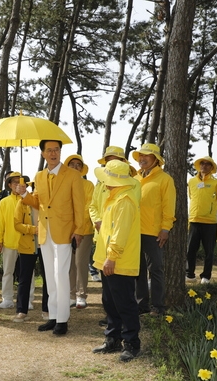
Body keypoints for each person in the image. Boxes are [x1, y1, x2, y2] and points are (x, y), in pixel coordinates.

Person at [15, 140, 85, 335]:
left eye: (56, 150)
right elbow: (38, 202)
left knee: (61, 276)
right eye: (49, 150)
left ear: (60, 152)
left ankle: (63, 320)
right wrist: (24, 195)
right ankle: (53, 316)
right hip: (45, 232)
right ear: (43, 154)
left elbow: (80, 205)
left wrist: (79, 229)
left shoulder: (72, 175)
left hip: (65, 231)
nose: (53, 153)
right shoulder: (39, 176)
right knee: (51, 277)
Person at [91, 160, 142, 362]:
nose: (105, 182)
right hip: (109, 260)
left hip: (119, 261)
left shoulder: (125, 201)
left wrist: (111, 258)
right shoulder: (114, 198)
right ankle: (112, 338)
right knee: (109, 301)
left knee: (124, 303)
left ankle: (131, 343)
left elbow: (120, 234)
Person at [132, 143, 176, 316]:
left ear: (156, 160)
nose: (142, 159)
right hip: (134, 231)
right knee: (138, 269)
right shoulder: (135, 178)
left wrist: (165, 228)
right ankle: (141, 304)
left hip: (154, 232)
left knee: (155, 269)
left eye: (146, 156)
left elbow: (169, 207)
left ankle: (158, 306)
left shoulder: (165, 179)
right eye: (140, 156)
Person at [0, 172, 34, 309]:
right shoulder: (4, 202)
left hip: (28, 242)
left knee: (28, 273)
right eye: (15, 182)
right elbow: (0, 223)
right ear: (9, 185)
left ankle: (28, 299)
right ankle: (7, 298)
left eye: (21, 182)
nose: (18, 184)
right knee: (8, 271)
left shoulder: (30, 200)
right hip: (9, 242)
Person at [186, 156, 217, 284]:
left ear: (211, 168)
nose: (204, 166)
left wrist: (210, 210)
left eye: (208, 164)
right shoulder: (191, 181)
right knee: (190, 249)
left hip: (210, 222)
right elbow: (191, 196)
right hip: (194, 220)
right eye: (202, 163)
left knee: (209, 251)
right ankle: (189, 274)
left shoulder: (216, 183)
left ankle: (206, 276)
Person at [64, 154, 94, 309]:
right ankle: (71, 294)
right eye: (72, 164)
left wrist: (79, 228)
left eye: (78, 165)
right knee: (69, 264)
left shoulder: (88, 185)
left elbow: (89, 208)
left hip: (84, 230)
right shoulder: (62, 184)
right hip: (65, 230)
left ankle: (81, 295)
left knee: (80, 262)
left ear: (82, 169)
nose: (75, 167)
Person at [12, 181, 38, 322]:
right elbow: (17, 224)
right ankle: (22, 310)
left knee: (48, 279)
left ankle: (47, 310)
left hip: (44, 245)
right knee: (24, 279)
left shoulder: (47, 202)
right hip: (27, 246)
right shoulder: (22, 203)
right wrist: (33, 230)